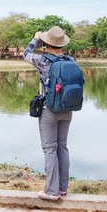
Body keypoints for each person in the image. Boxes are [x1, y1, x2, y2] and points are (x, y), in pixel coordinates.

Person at [23, 26, 72, 201]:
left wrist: (35, 38)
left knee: (50, 149)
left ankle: (51, 191)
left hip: (49, 109)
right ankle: (62, 188)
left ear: (46, 43)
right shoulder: (70, 59)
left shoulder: (42, 59)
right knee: (62, 147)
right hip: (67, 109)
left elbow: (25, 54)